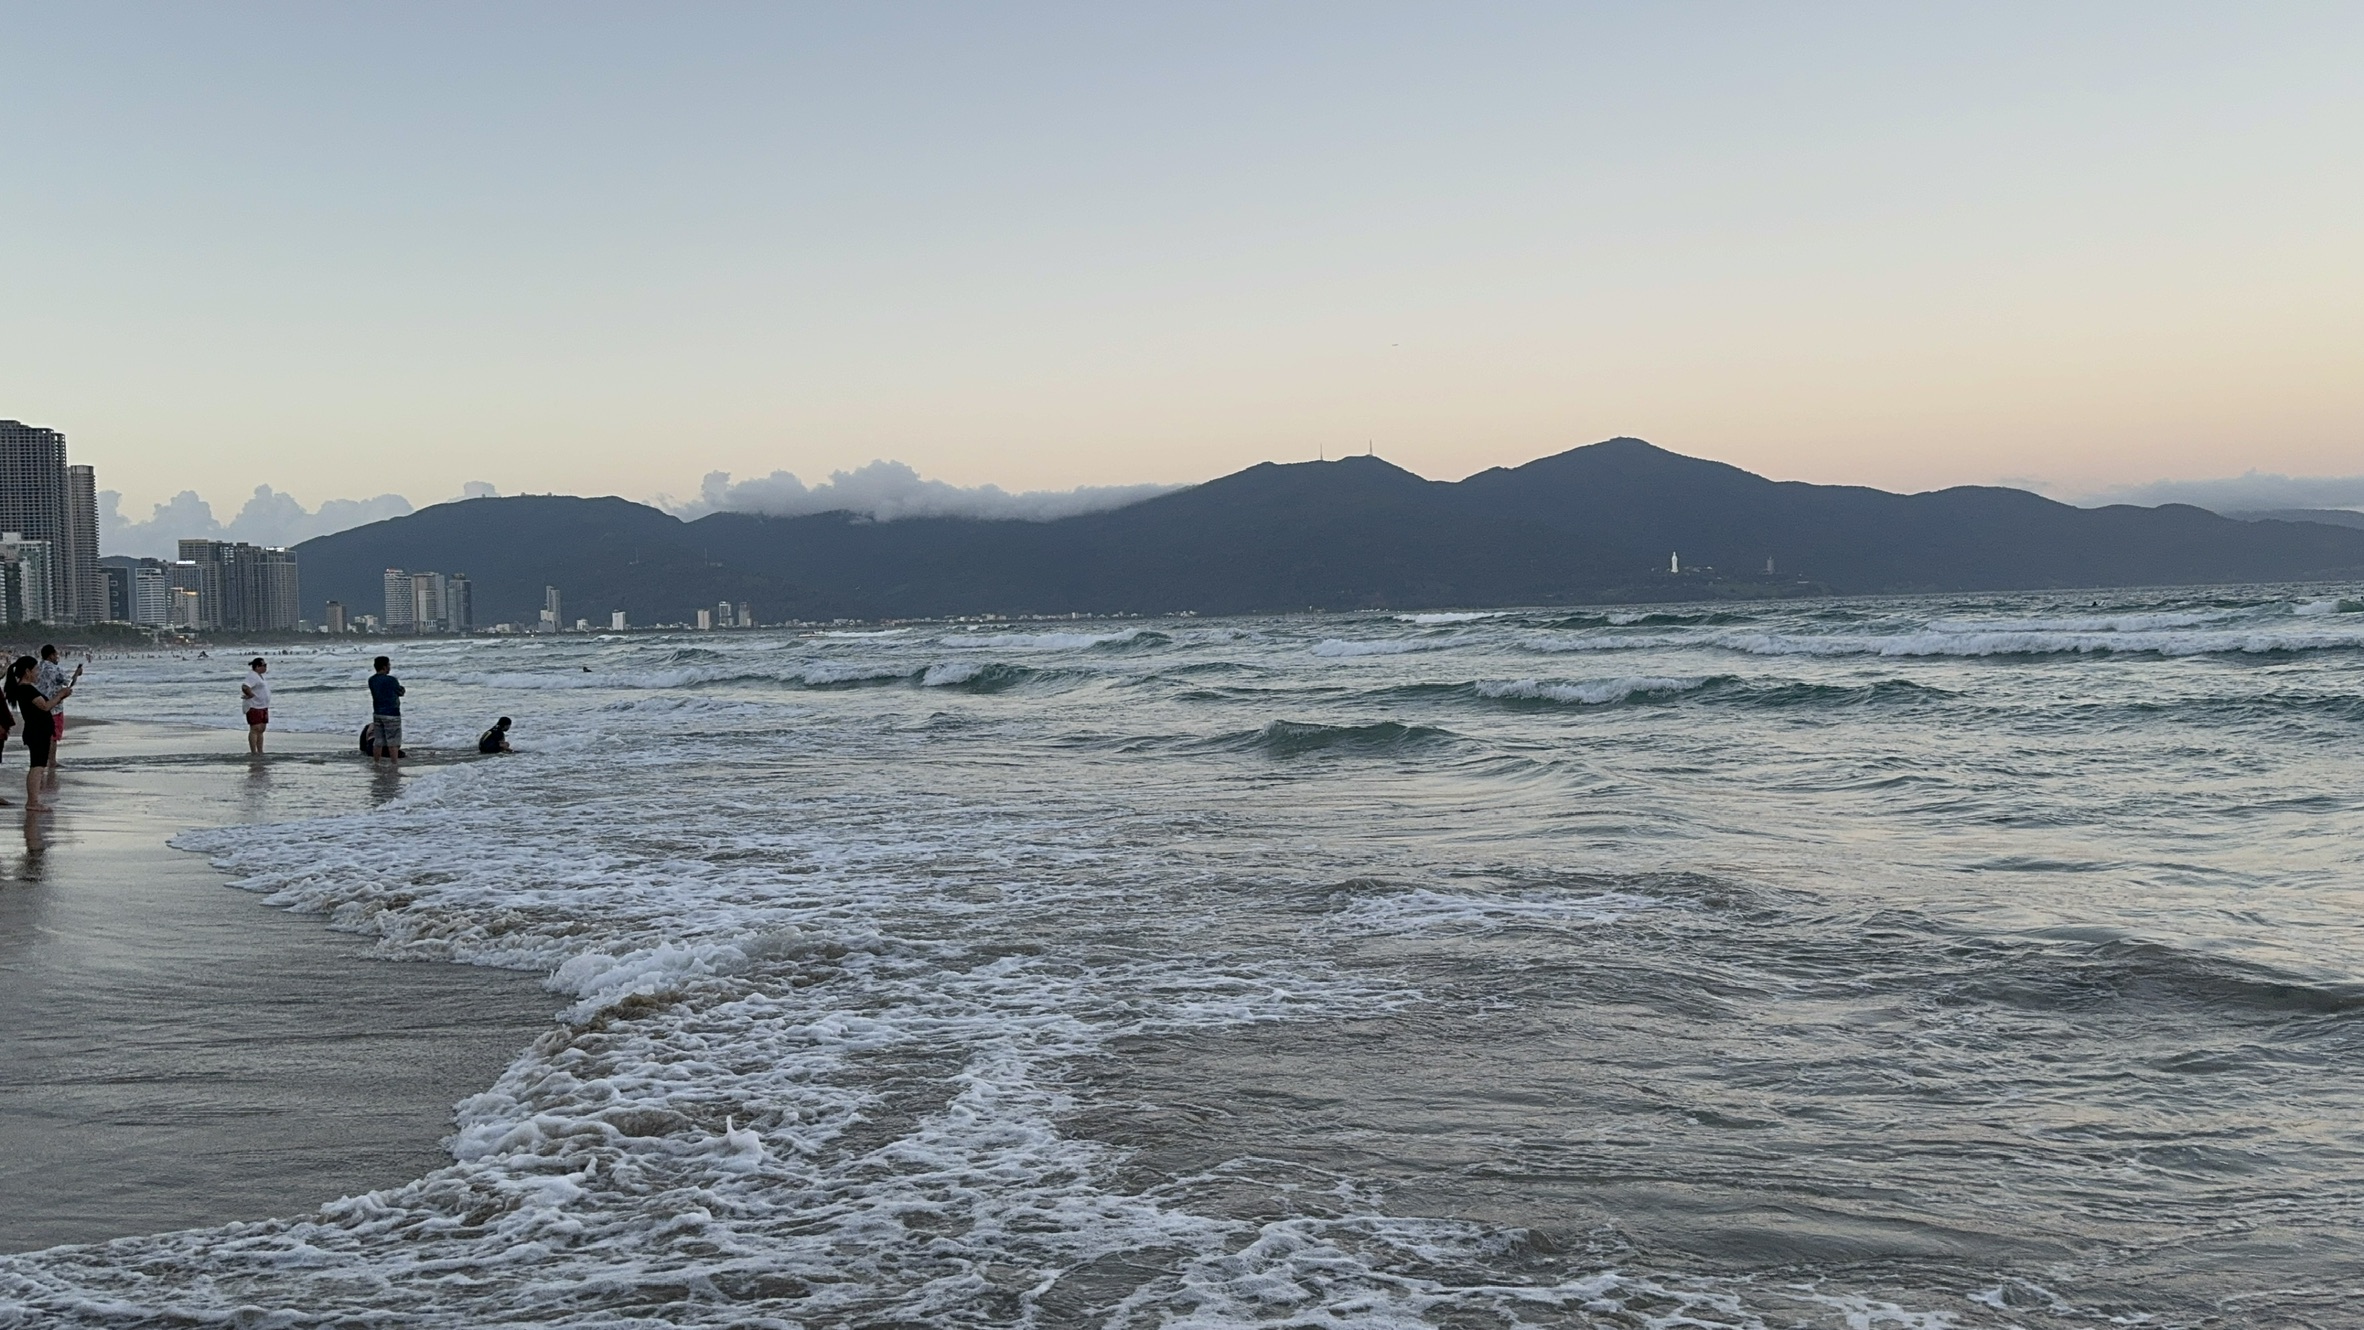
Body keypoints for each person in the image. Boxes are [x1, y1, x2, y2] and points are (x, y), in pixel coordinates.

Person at [10, 656, 68, 811]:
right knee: (37, 766)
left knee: (38, 765)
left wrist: (60, 696)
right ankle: (32, 801)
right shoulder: (26, 689)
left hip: (36, 731)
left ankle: (33, 801)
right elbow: (45, 706)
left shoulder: (25, 688)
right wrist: (60, 695)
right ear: (27, 672)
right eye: (36, 670)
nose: (38, 674)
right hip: (36, 732)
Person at [34, 645, 79, 789]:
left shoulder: (38, 668)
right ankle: (51, 761)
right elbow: (68, 683)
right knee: (53, 735)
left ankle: (45, 759)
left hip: (39, 704)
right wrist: (77, 674)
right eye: (56, 655)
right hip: (55, 706)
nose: (57, 658)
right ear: (51, 655)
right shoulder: (54, 669)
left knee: (43, 734)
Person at [368, 656, 404, 763]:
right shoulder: (392, 680)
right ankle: (394, 763)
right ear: (384, 667)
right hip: (392, 713)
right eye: (388, 665)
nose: (389, 667)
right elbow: (400, 692)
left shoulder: (372, 680)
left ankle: (376, 762)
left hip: (378, 712)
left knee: (378, 740)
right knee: (393, 741)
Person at [241, 657, 271, 754]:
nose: (266, 667)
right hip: (254, 706)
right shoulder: (252, 676)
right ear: (257, 666)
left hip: (263, 706)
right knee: (255, 729)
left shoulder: (259, 676)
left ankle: (260, 751)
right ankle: (254, 751)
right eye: (264, 665)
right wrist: (250, 695)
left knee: (261, 729)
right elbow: (245, 686)